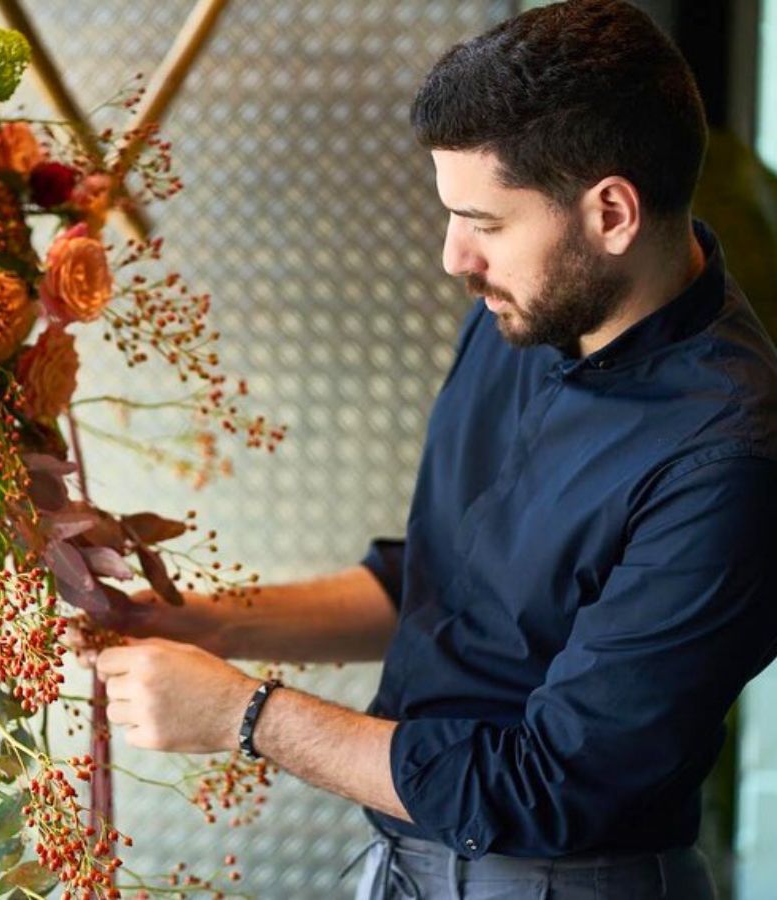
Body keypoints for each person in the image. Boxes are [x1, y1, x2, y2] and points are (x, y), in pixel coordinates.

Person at [74, 1, 777, 896]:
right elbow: (438, 588)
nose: (455, 258)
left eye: (483, 221)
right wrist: (202, 624)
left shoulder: (728, 461)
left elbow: (548, 787)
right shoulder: (529, 313)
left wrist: (245, 715)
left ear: (610, 212)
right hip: (412, 860)